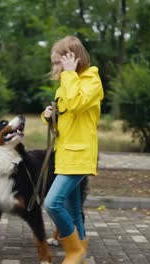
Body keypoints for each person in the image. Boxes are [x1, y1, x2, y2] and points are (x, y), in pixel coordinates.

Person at [42, 35, 104, 264]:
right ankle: (81, 254)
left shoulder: (92, 80)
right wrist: (49, 115)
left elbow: (77, 104)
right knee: (74, 209)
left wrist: (68, 74)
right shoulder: (67, 83)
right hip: (65, 153)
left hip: (80, 154)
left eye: (58, 62)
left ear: (73, 60)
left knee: (52, 203)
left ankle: (75, 250)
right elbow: (66, 115)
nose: (55, 67)